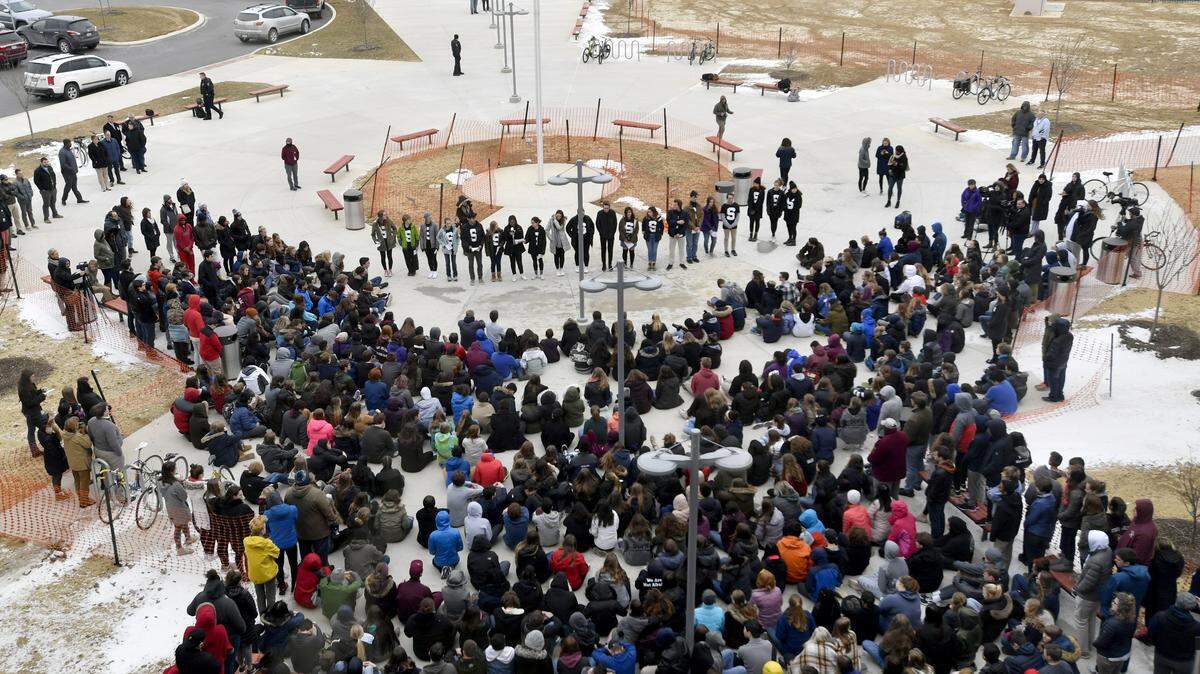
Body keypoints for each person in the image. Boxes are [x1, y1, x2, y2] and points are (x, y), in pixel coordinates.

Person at [1042, 316, 1073, 403]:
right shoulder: (1070, 336)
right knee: (1061, 378)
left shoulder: (1057, 341)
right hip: (1064, 361)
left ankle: (1053, 397)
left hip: (1055, 364)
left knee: (1053, 380)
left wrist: (1045, 359)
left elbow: (1051, 354)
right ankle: (1060, 395)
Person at [32, 157, 62, 224]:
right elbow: (36, 181)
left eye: (47, 162)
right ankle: (46, 218)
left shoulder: (50, 167)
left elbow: (53, 176)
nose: (46, 163)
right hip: (45, 191)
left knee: (53, 202)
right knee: (46, 204)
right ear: (41, 162)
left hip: (53, 189)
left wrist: (54, 185)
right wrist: (42, 189)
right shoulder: (37, 171)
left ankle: (55, 214)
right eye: (44, 162)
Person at [58, 138, 87, 205]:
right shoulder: (62, 152)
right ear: (66, 144)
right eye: (69, 143)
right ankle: (63, 199)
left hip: (73, 172)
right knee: (68, 186)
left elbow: (72, 161)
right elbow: (63, 164)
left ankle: (79, 199)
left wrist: (75, 169)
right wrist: (71, 169)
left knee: (74, 186)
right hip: (67, 173)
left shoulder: (69, 150)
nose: (71, 144)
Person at [371, 210, 398, 278]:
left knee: (390, 256)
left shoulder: (389, 221)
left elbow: (395, 229)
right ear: (380, 216)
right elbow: (373, 234)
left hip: (389, 242)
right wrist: (376, 241)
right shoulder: (375, 224)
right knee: (383, 257)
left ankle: (390, 270)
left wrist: (393, 236)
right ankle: (385, 270)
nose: (386, 216)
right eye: (384, 215)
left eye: (386, 214)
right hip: (381, 243)